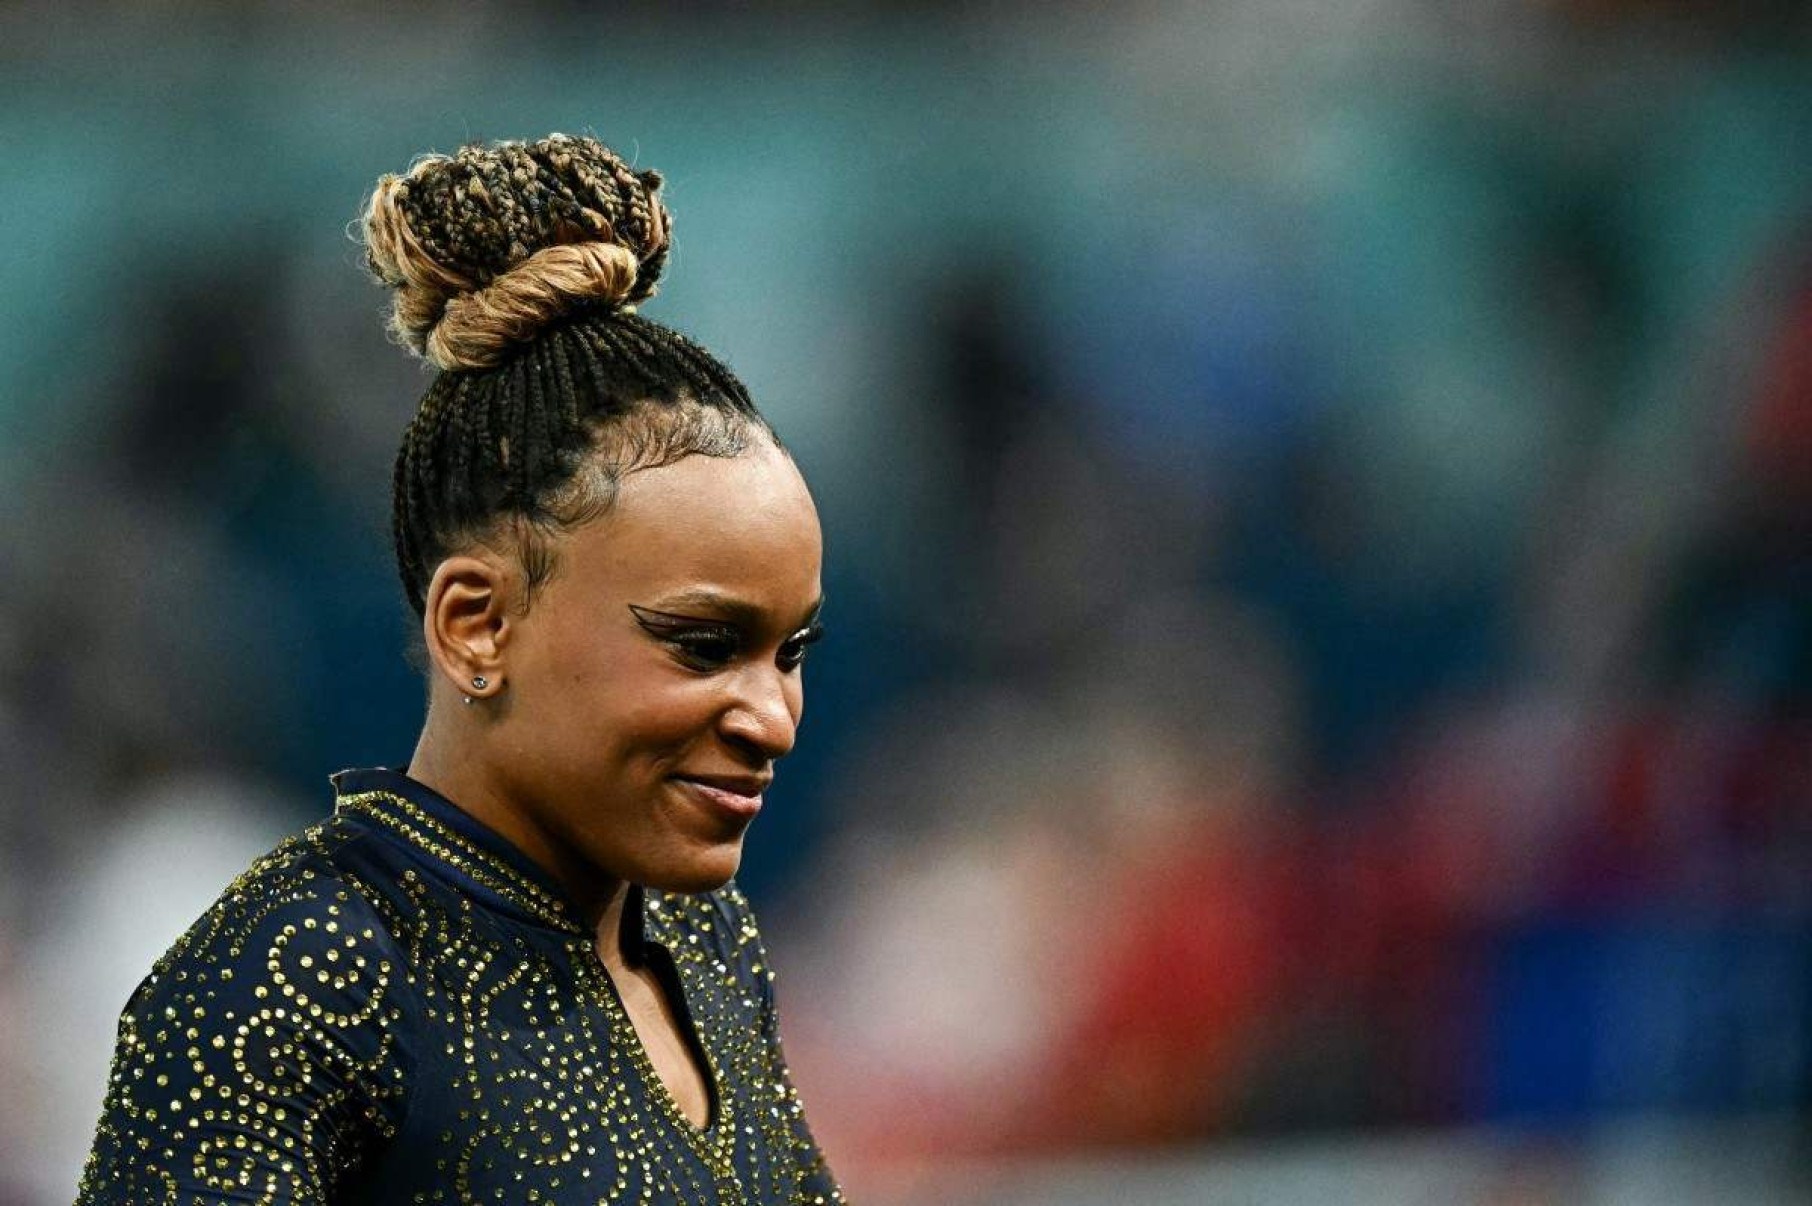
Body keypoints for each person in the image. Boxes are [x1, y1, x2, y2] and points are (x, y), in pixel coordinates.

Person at [75, 133, 844, 1205]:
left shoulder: (707, 947)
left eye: (791, 653)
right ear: (478, 625)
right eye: (702, 645)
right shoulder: (301, 974)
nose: (772, 718)